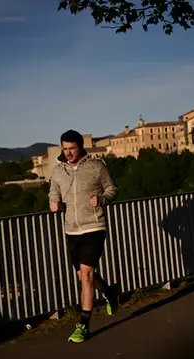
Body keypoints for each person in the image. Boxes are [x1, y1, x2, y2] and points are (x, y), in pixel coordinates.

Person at [49, 129, 120, 343]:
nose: (68, 153)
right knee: (82, 276)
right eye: (65, 148)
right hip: (71, 230)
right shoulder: (58, 171)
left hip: (94, 227)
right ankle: (109, 291)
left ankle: (83, 325)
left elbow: (112, 190)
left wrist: (101, 200)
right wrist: (53, 203)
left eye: (72, 148)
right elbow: (54, 191)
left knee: (87, 276)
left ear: (81, 147)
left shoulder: (97, 166)